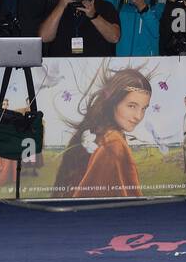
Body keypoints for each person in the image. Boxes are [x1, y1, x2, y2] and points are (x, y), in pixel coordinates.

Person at [54, 68, 152, 198]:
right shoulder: (113, 143)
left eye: (144, 108)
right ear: (113, 102)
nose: (138, 116)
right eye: (132, 106)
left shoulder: (100, 132)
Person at [39, 0, 121, 57]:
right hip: (64, 67)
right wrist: (61, 6)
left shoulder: (104, 7)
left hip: (96, 67)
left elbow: (114, 37)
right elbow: (44, 37)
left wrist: (94, 16)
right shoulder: (58, 8)